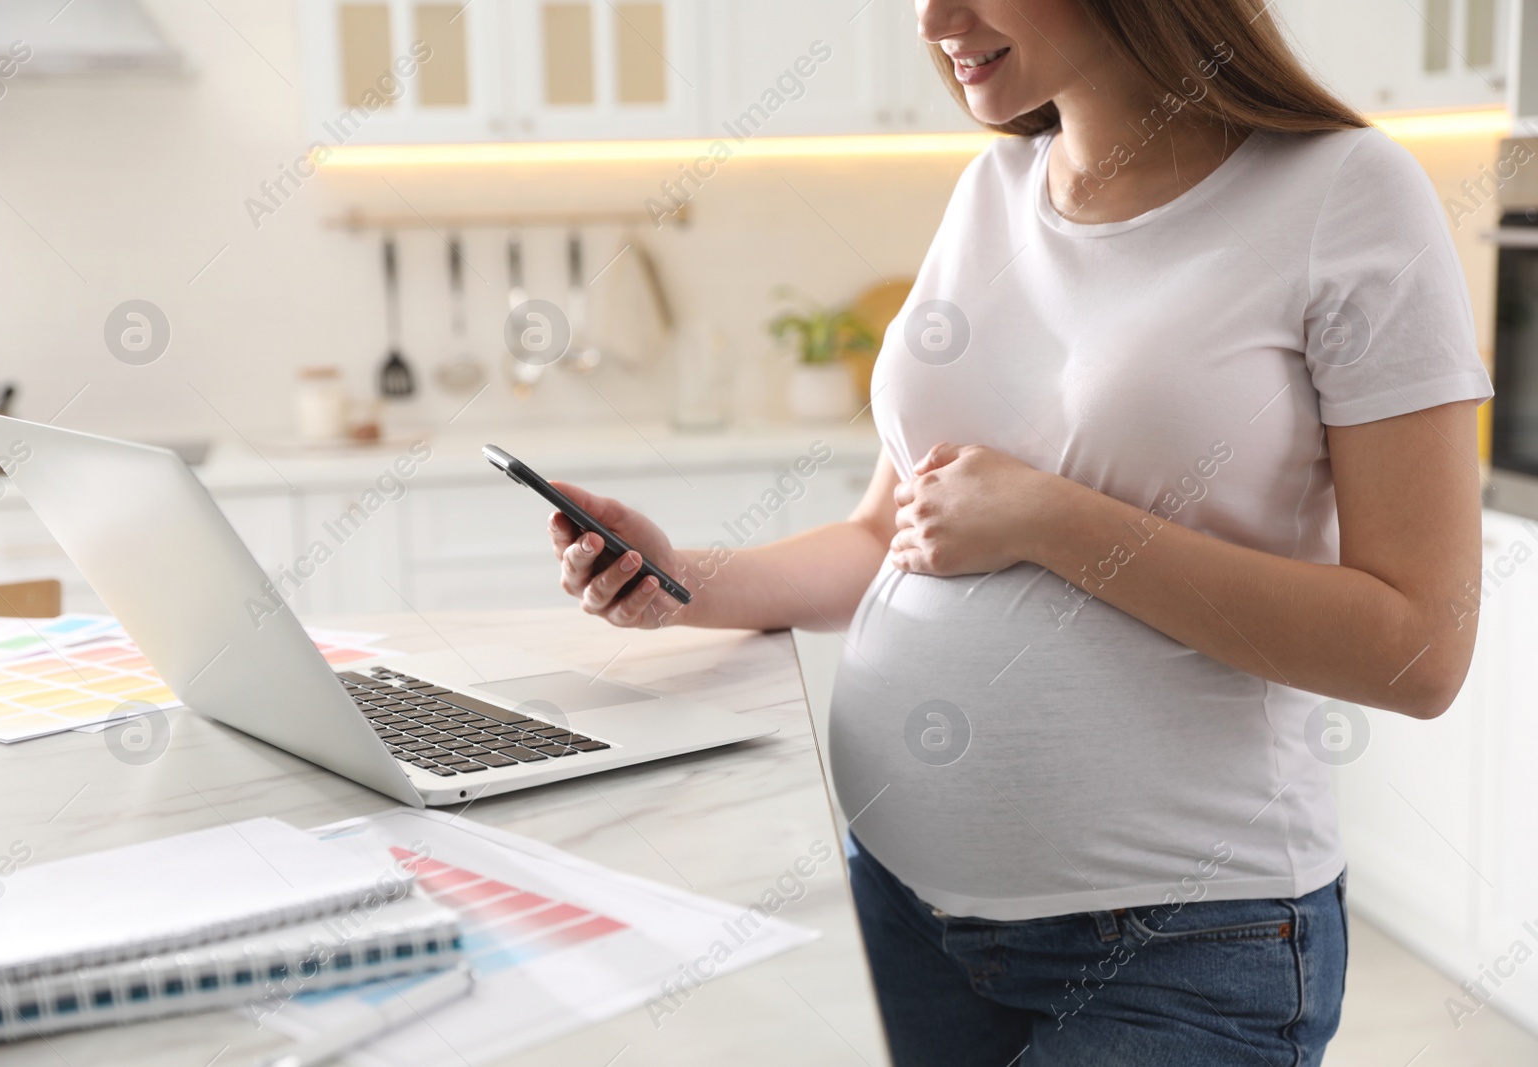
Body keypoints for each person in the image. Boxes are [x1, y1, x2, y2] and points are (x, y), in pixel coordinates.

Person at [537, 0, 1493, 1062]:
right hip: (896, 902)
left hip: (1179, 944)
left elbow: (1418, 646)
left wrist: (1054, 519)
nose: (933, 18)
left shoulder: (1344, 194)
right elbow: (886, 536)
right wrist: (683, 579)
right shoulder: (993, 190)